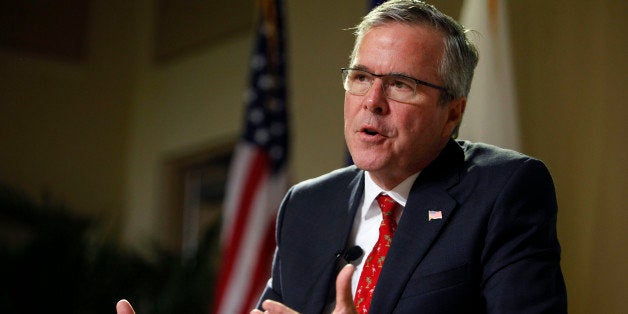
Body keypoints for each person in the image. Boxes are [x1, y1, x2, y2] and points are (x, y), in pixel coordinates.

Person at [118, 0, 567, 313]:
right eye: (361, 77)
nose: (372, 101)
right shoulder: (307, 206)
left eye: (401, 85)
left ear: (452, 113)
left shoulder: (503, 191)